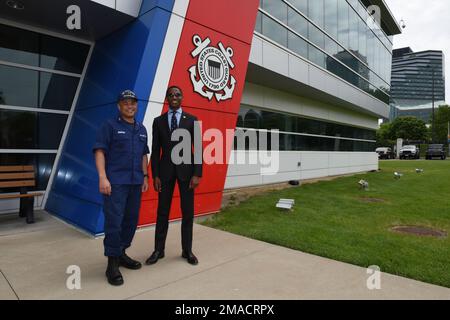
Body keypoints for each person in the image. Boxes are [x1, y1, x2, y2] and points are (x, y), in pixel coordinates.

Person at [93, 90, 150, 286]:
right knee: (114, 223)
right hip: (115, 183)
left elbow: (144, 155)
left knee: (130, 221)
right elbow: (100, 151)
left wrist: (145, 176)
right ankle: (112, 264)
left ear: (136, 105)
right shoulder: (109, 126)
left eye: (133, 103)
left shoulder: (142, 129)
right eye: (125, 103)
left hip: (135, 183)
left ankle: (122, 253)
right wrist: (102, 177)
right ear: (119, 106)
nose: (129, 106)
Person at [146, 85, 202, 266]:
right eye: (171, 95)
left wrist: (197, 173)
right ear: (167, 99)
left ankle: (187, 251)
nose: (174, 97)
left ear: (182, 97)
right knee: (162, 212)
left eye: (177, 94)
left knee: (188, 213)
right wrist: (155, 175)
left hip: (187, 173)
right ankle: (158, 250)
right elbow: (155, 151)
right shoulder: (158, 121)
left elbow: (199, 149)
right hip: (165, 173)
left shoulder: (193, 120)